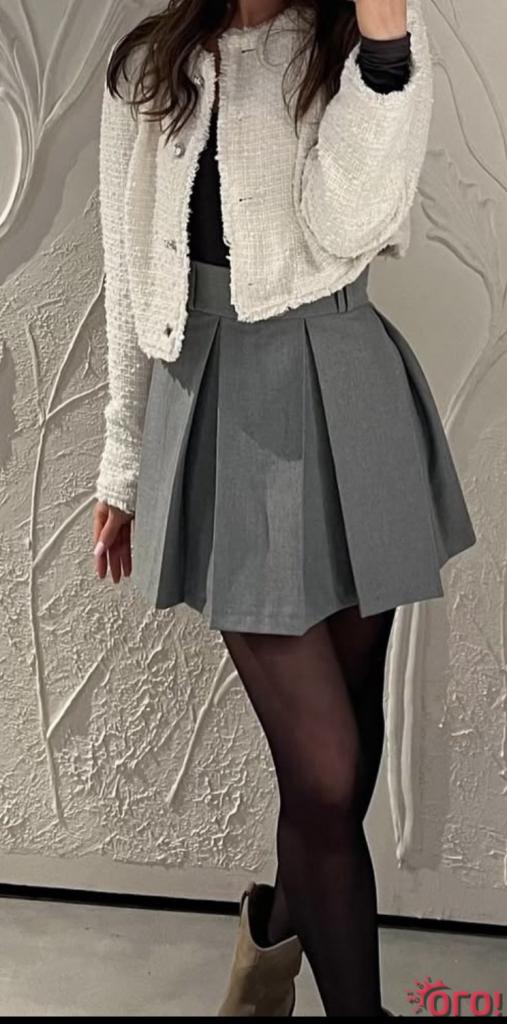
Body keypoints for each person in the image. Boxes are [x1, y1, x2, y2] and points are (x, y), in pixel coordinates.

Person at [92, 0, 477, 1016]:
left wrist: (383, 48)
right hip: (223, 403)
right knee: (327, 769)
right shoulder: (148, 67)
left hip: (351, 386)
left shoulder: (360, 44)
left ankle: (267, 956)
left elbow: (353, 225)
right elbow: (128, 278)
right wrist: (121, 462)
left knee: (342, 760)